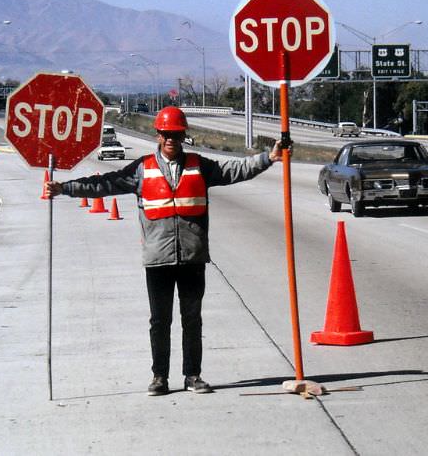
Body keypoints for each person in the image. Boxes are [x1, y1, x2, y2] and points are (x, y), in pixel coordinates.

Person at [46, 106, 283, 396]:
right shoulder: (141, 169)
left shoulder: (200, 165)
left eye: (176, 134)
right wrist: (65, 188)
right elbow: (103, 185)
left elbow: (234, 170)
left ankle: (193, 375)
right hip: (158, 259)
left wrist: (268, 158)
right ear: (158, 135)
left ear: (183, 135)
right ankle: (159, 377)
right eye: (166, 134)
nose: (171, 138)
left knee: (192, 319)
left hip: (193, 258)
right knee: (160, 321)